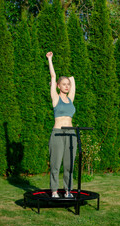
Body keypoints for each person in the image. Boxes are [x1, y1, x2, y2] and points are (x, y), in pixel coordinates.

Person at [46, 51, 77, 198]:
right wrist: (50, 59)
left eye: (68, 85)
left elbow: (72, 79)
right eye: (63, 84)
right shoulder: (55, 98)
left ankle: (68, 190)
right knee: (56, 164)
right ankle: (54, 191)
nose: (67, 86)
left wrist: (70, 80)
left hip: (71, 134)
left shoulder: (71, 98)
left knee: (69, 165)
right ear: (58, 86)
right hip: (58, 133)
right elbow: (53, 76)